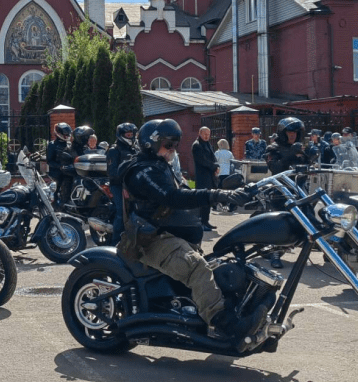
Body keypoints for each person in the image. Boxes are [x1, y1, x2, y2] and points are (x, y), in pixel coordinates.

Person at [118, 119, 265, 351]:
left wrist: (233, 192)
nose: (172, 151)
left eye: (175, 145)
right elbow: (171, 197)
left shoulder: (162, 166)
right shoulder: (142, 171)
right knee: (197, 268)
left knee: (221, 262)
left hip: (173, 236)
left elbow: (185, 191)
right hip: (152, 240)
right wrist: (216, 194)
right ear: (151, 143)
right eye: (168, 145)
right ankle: (225, 326)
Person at [264, 117, 308, 269]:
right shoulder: (273, 148)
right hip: (280, 190)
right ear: (283, 132)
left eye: (295, 132)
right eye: (289, 132)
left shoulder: (299, 147)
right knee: (280, 223)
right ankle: (275, 254)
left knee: (310, 215)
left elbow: (307, 166)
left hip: (299, 188)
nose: (293, 135)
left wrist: (310, 156)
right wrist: (290, 154)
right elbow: (275, 168)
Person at [106, 122, 138, 245]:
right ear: (121, 135)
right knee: (121, 212)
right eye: (128, 134)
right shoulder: (114, 150)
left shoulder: (135, 149)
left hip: (133, 185)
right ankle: (116, 242)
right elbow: (112, 172)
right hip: (118, 185)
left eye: (132, 134)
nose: (130, 136)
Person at [191, 126, 218, 231]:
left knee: (209, 200)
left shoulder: (208, 144)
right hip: (202, 177)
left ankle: (206, 221)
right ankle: (201, 222)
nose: (207, 136)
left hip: (210, 177)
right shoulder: (197, 145)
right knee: (202, 200)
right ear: (200, 133)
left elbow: (213, 157)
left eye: (208, 134)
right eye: (205, 134)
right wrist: (214, 167)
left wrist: (217, 166)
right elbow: (202, 161)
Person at [214, 138, 234, 212]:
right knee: (227, 189)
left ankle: (218, 204)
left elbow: (215, 161)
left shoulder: (217, 153)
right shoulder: (229, 153)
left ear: (221, 145)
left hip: (220, 172)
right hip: (227, 173)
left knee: (219, 189)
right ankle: (227, 203)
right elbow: (232, 161)